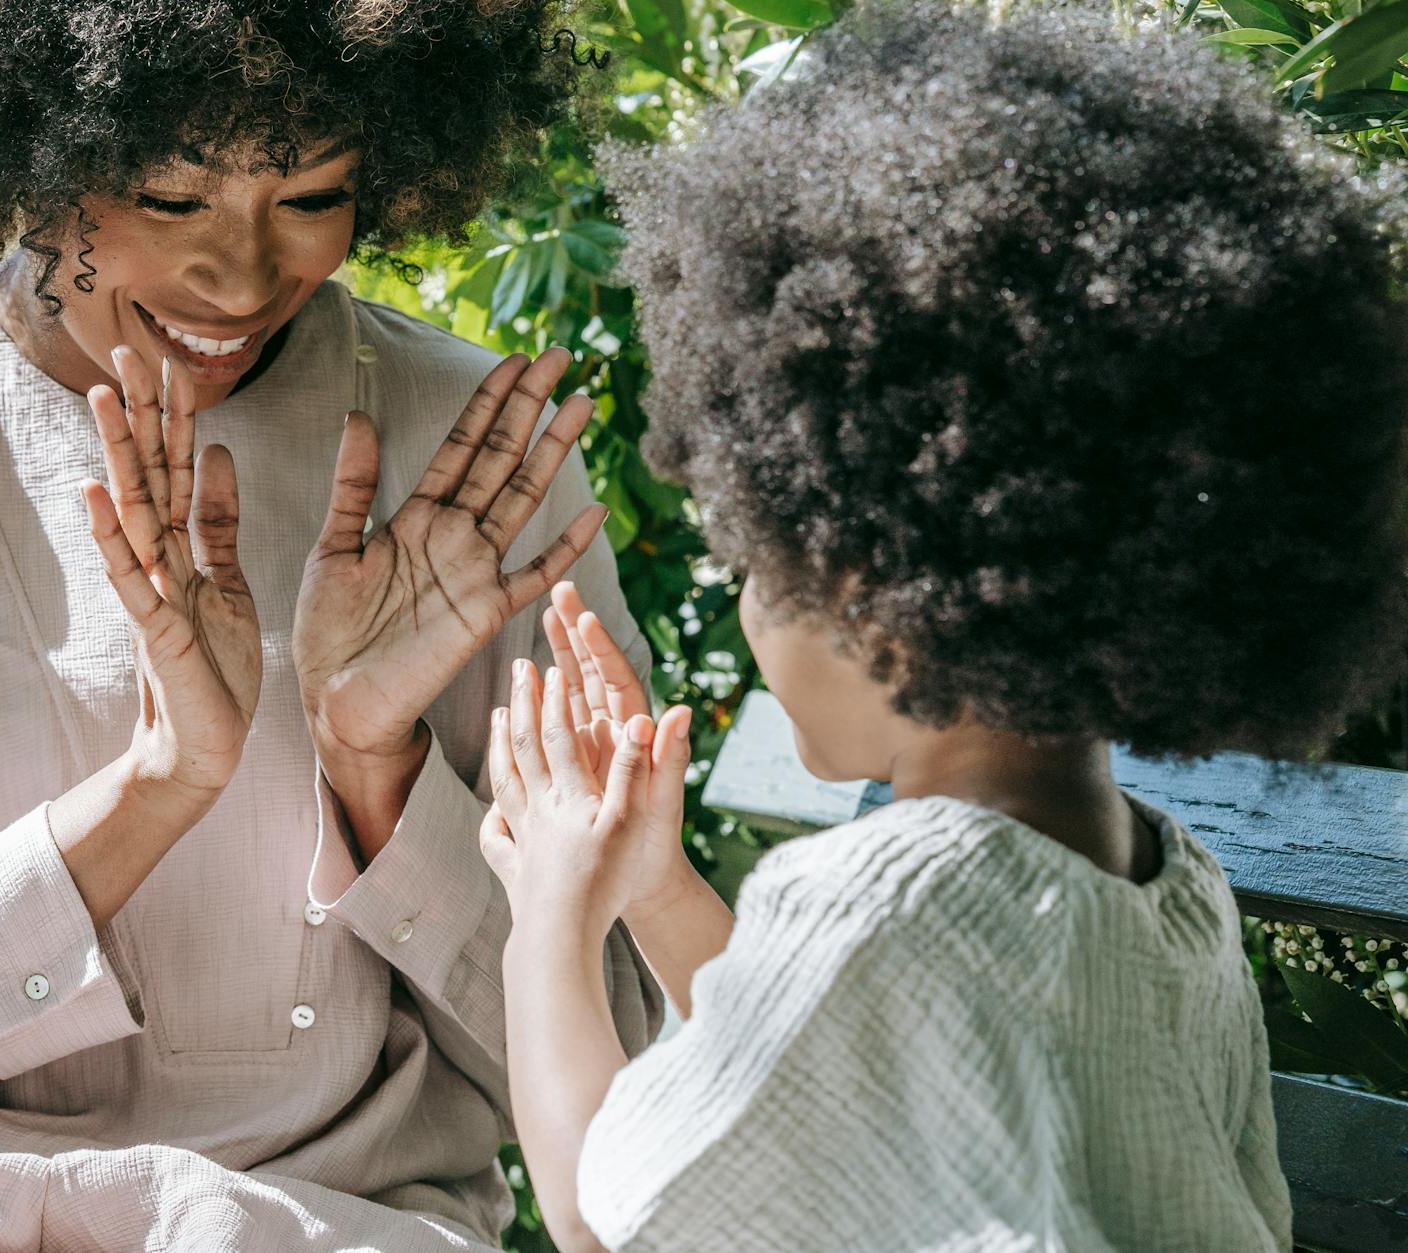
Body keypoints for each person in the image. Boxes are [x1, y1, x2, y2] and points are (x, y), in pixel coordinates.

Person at [0, 3, 660, 1249]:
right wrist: (151, 792)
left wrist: (379, 770)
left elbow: (628, 1078)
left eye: (310, 197)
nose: (244, 278)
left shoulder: (471, 469)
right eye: (168, 196)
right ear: (24, 155)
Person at [477, 4, 1408, 1250]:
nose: (742, 598)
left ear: (876, 601)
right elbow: (820, 1100)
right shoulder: (1167, 887)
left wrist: (549, 910)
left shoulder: (871, 900)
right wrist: (653, 885)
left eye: (753, 555)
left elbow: (609, 1211)